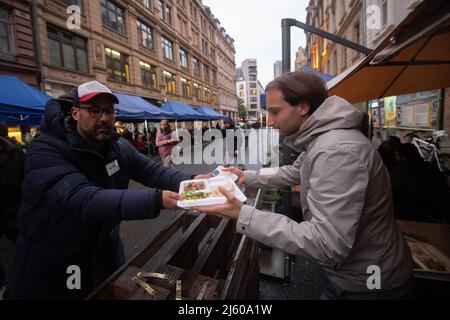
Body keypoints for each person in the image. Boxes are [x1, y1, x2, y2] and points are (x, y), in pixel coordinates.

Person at [195, 71, 414, 300]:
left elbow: (326, 241)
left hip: (371, 284)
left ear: (302, 107)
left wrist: (245, 215)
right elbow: (294, 171)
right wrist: (246, 176)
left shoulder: (335, 151)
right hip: (356, 275)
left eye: (275, 111)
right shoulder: (324, 139)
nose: (269, 121)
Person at [8, 81, 206, 299]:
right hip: (53, 264)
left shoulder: (117, 146)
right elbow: (83, 198)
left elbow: (154, 172)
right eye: (94, 111)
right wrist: (157, 199)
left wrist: (197, 182)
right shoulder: (45, 150)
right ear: (75, 113)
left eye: (109, 111)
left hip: (103, 255)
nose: (103, 118)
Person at [390, 143, 447, 222]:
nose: (395, 158)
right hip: (431, 216)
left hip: (407, 217)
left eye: (397, 155)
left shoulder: (399, 172)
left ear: (403, 157)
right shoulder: (432, 169)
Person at [0, 123, 25, 291]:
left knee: (24, 244)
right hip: (12, 207)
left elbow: (25, 179)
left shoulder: (16, 153)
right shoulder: (16, 151)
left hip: (13, 208)